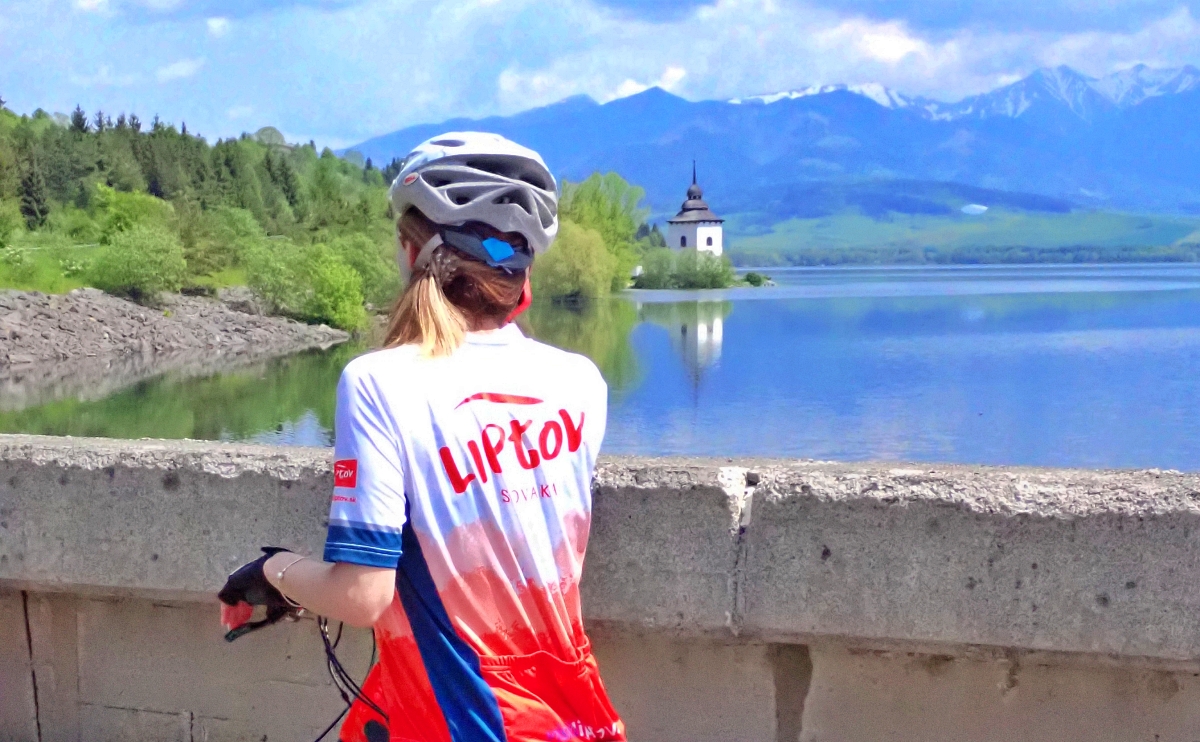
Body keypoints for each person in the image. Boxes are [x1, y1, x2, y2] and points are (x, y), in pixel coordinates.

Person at [218, 132, 626, 742]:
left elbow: (363, 596)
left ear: (414, 255)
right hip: (577, 719)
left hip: (461, 721)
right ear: (522, 271)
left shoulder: (380, 381)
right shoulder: (580, 381)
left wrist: (276, 570)